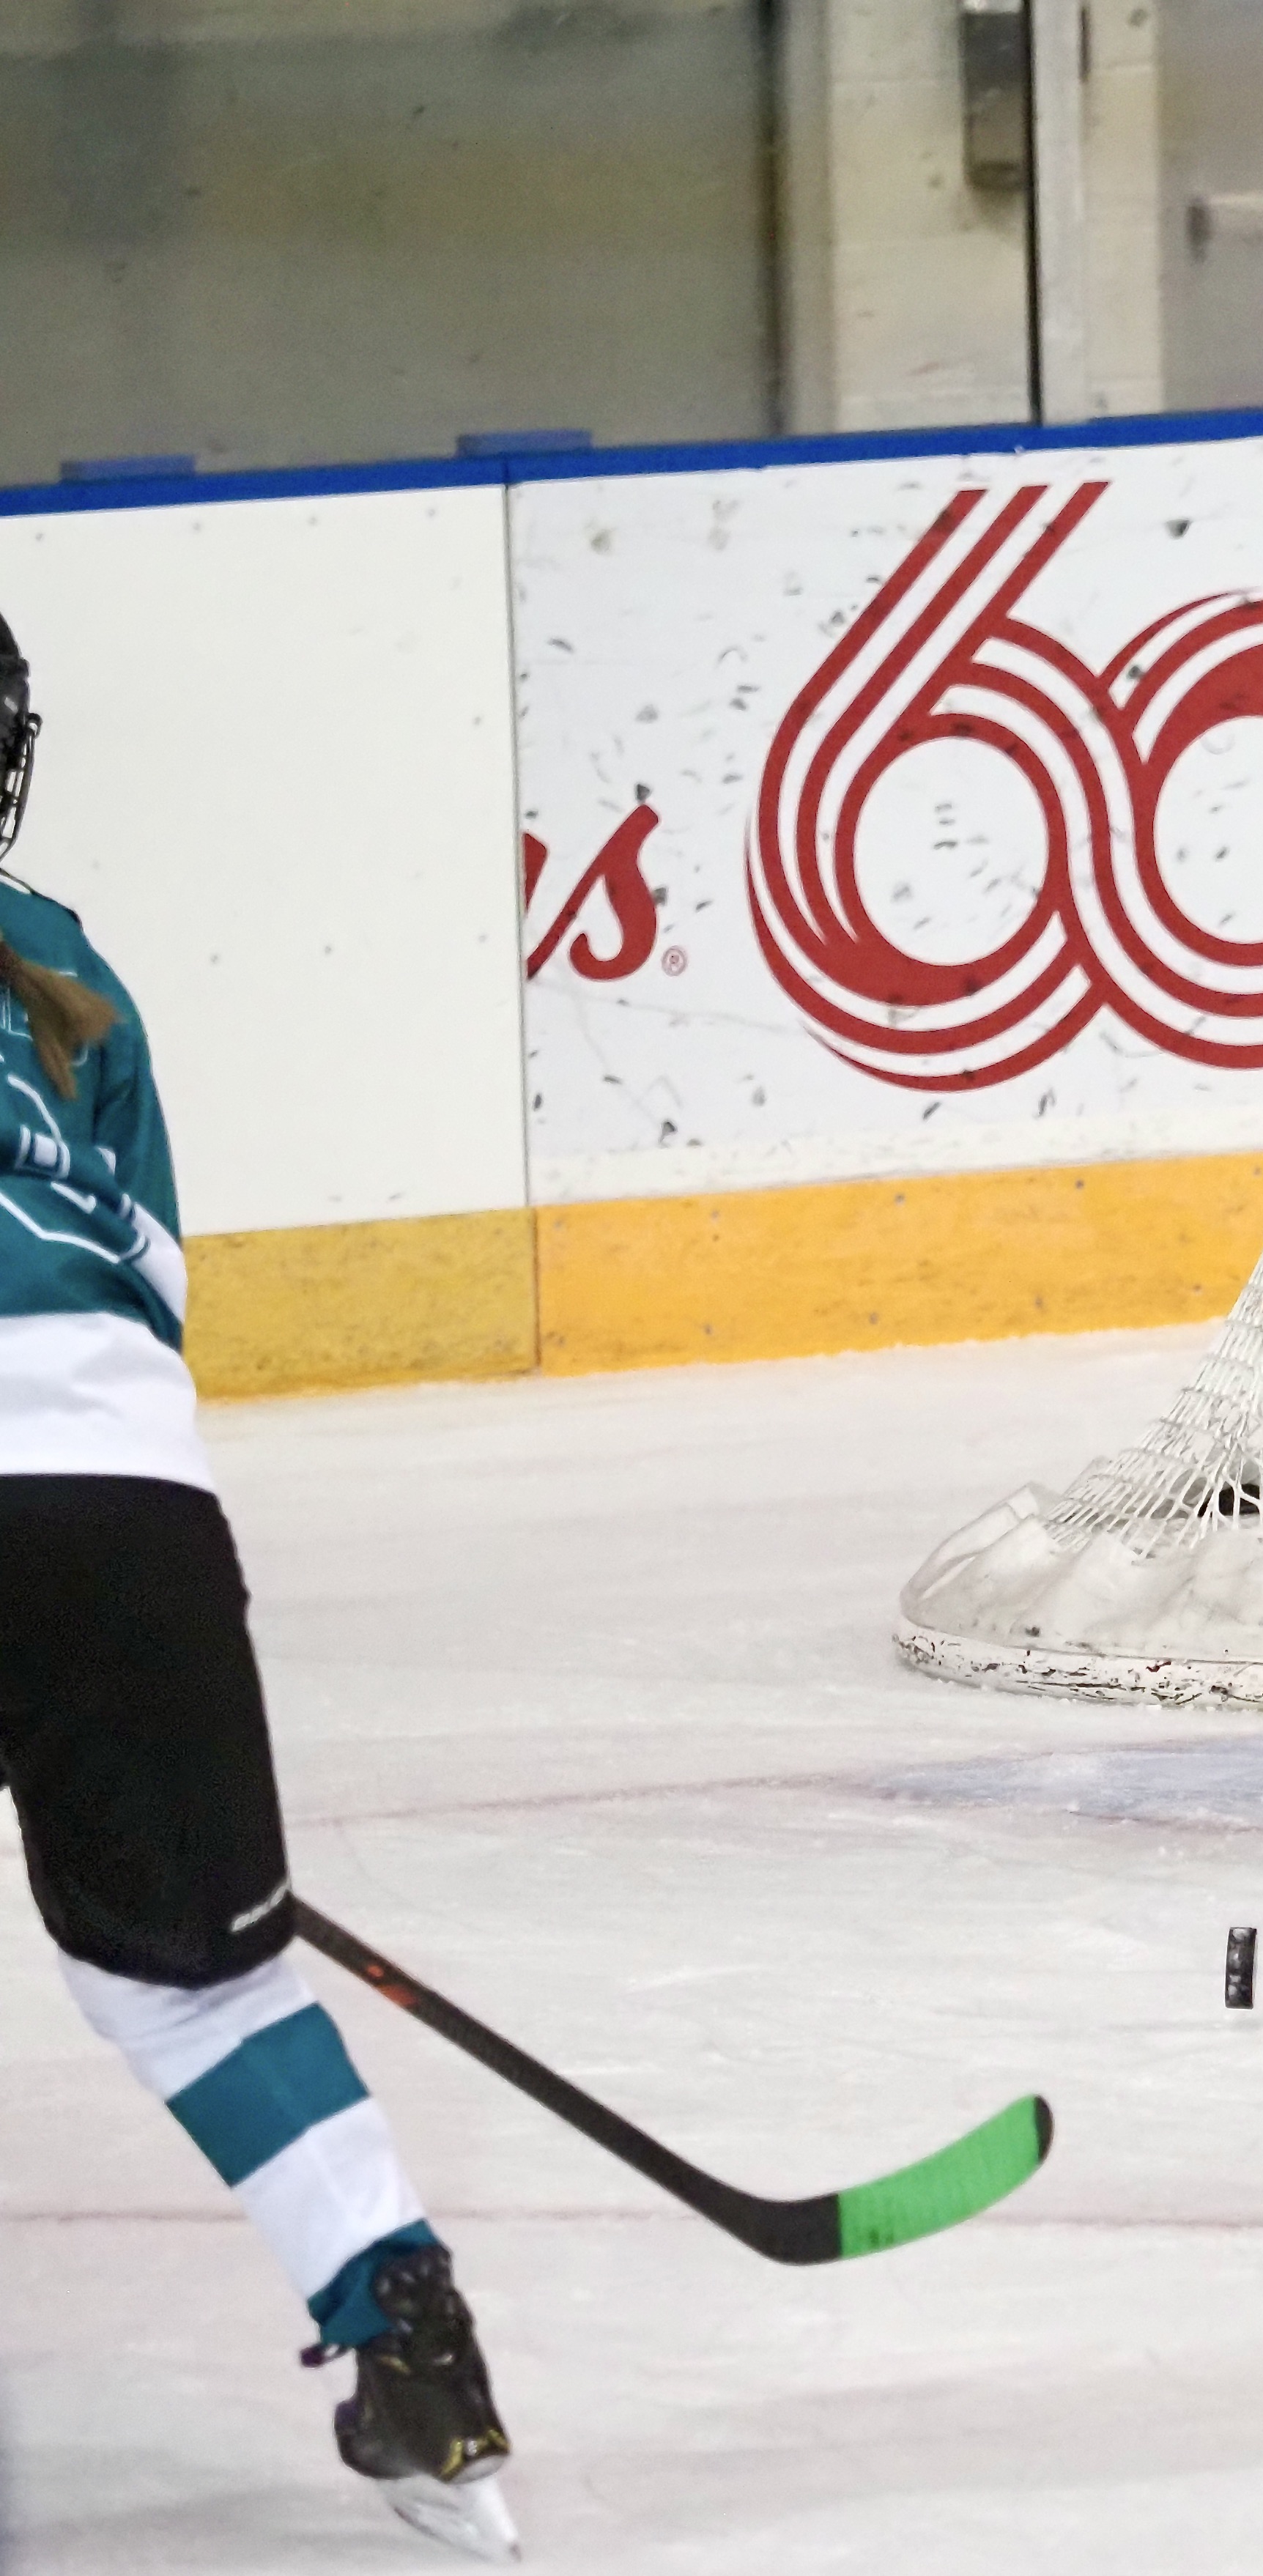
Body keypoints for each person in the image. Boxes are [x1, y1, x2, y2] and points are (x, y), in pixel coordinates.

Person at [0, 609, 521, 2556]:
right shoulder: (60, 959)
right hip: (128, 1508)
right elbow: (144, 1293)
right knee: (197, 1986)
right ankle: (404, 2320)